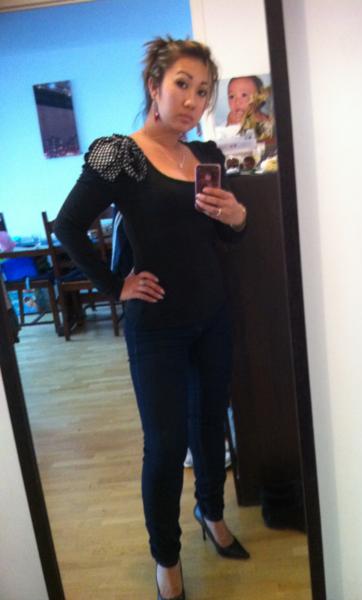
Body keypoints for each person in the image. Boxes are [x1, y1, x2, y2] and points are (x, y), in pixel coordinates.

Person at [54, 36, 249, 600]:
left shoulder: (207, 156)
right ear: (154, 86)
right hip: (157, 325)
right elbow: (68, 226)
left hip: (212, 314)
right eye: (181, 85)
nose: (192, 100)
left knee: (210, 426)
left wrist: (237, 217)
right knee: (164, 446)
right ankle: (167, 556)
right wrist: (115, 286)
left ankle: (211, 513)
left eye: (203, 91)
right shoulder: (120, 154)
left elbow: (225, 238)